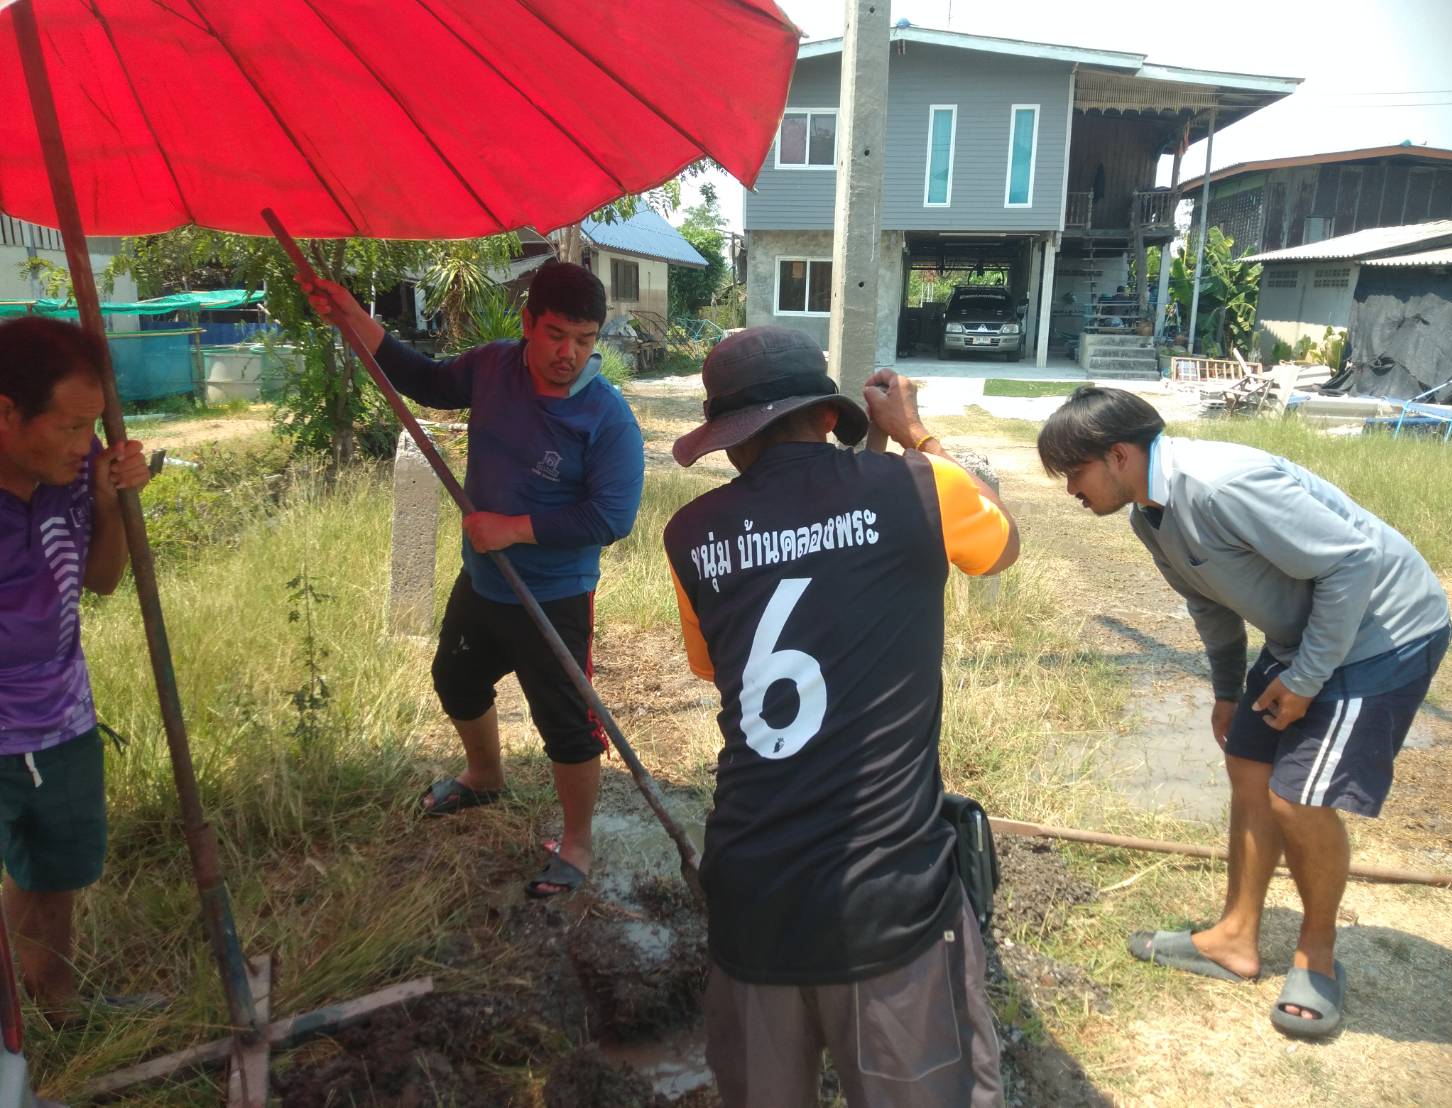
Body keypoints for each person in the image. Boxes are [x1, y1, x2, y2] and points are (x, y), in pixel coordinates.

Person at [662, 327, 1018, 1106]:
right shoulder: (922, 487)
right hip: (886, 903)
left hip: (750, 896)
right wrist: (914, 435)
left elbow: (716, 664)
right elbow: (1001, 545)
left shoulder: (688, 535)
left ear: (730, 440)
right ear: (828, 417)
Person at [1037, 387, 1451, 1038]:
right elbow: (1209, 604)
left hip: (1382, 633)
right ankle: (1234, 937)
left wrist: (1306, 680)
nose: (1070, 491)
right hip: (1305, 637)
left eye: (1073, 473)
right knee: (1249, 767)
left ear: (1117, 455)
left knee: (1297, 800)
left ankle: (1316, 957)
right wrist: (1227, 691)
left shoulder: (1221, 485)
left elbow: (1352, 562)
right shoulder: (1150, 515)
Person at [302, 262, 644, 897]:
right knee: (456, 679)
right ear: (527, 323)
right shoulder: (493, 367)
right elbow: (427, 381)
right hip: (483, 580)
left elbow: (611, 517)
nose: (568, 353)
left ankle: (577, 842)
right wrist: (354, 320)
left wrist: (513, 528)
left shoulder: (607, 418)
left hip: (554, 595)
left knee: (567, 724)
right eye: (555, 334)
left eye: (584, 339)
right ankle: (485, 777)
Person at [0, 317, 152, 1019]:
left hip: (63, 719)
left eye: (91, 425)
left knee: (55, 869)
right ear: (6, 414)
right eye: (68, 426)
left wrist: (109, 503)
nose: (84, 443)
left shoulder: (73, 475)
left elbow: (103, 581)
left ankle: (57, 1002)